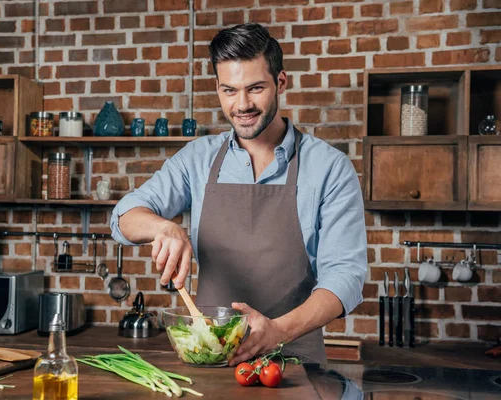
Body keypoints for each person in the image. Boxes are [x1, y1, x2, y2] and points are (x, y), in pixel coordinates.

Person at [110, 23, 367, 365]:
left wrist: (278, 331)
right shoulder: (198, 159)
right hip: (210, 359)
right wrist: (163, 228)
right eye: (229, 90)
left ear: (281, 82)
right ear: (217, 87)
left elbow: (346, 276)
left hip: (293, 364)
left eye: (255, 88)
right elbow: (123, 217)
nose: (242, 104)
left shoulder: (329, 168)